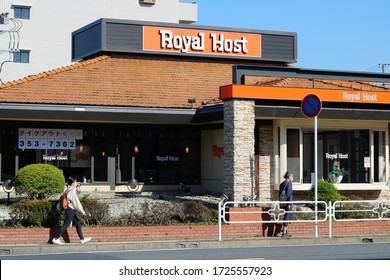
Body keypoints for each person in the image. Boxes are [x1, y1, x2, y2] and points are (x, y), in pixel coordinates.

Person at [52, 177, 91, 245]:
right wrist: (82, 211)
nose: (76, 183)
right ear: (73, 183)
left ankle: (82, 239)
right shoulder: (72, 191)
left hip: (69, 210)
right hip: (70, 210)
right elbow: (76, 202)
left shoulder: (67, 190)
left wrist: (58, 208)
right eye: (75, 182)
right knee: (65, 225)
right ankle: (55, 238)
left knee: (78, 224)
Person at [279, 171, 293, 238]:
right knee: (287, 216)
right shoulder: (289, 183)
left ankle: (285, 231)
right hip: (287, 202)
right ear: (289, 177)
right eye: (292, 176)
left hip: (282, 202)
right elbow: (289, 194)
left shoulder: (282, 184)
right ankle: (284, 232)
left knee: (286, 215)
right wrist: (289, 203)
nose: (292, 178)